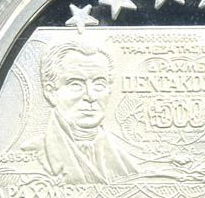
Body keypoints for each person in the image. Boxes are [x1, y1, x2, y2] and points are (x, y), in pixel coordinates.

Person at [23, 40, 137, 184]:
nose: (90, 96)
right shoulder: (30, 155)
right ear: (50, 91)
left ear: (109, 89)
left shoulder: (127, 158)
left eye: (99, 84)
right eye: (76, 84)